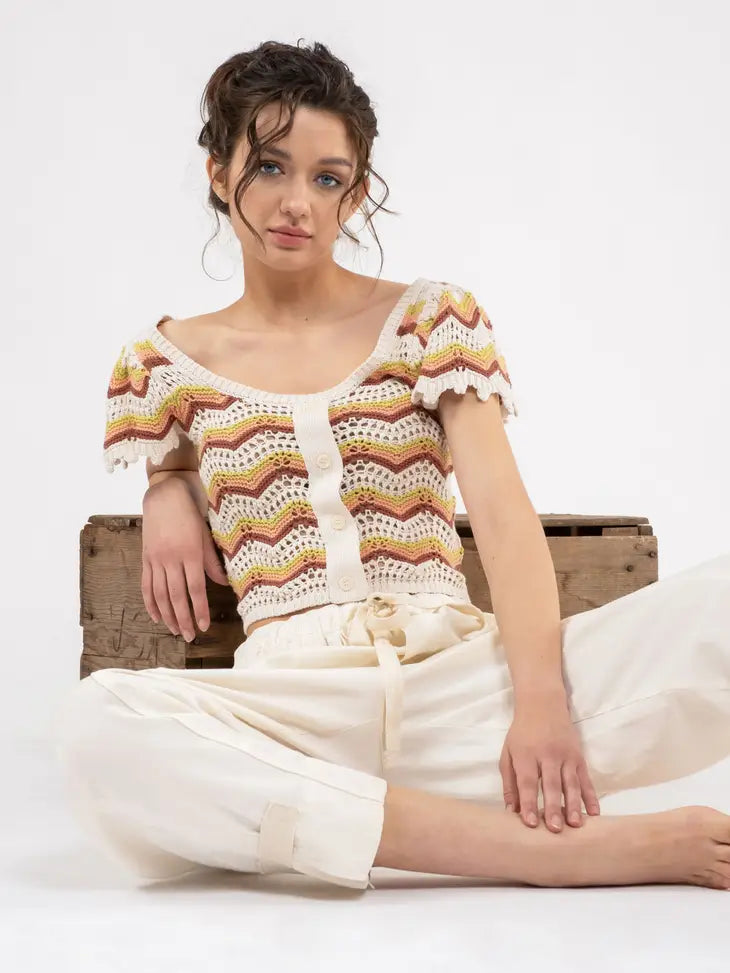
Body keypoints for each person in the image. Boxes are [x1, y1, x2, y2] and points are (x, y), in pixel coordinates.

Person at [52, 39, 730, 893]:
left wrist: (541, 708)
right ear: (219, 173)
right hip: (291, 722)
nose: (297, 202)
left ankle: (375, 818)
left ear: (356, 192)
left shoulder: (430, 320)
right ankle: (549, 852)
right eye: (270, 166)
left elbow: (502, 512)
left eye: (328, 178)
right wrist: (166, 486)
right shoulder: (164, 362)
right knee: (97, 726)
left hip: (468, 698)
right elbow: (177, 458)